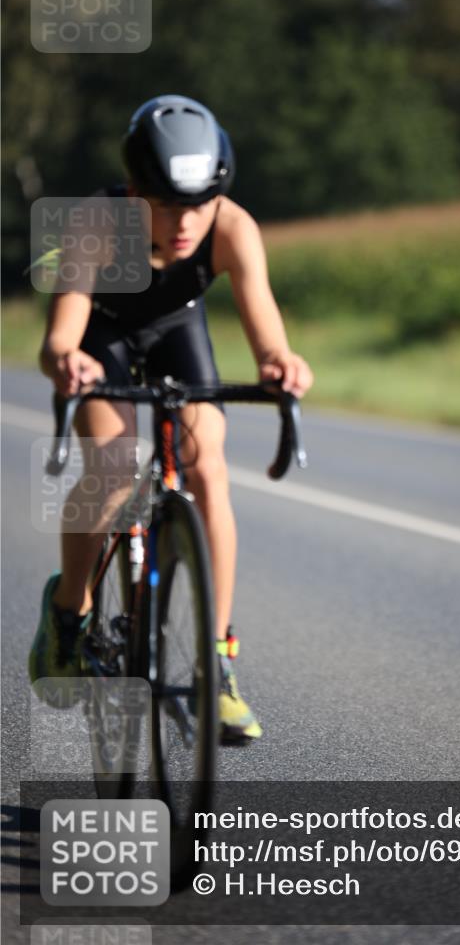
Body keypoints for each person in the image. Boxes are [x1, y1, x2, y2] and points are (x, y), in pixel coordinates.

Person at [28, 94, 314, 740]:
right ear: (134, 191)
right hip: (101, 338)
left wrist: (280, 363)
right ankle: (70, 613)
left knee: (208, 465)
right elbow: (59, 337)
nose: (185, 224)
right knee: (115, 464)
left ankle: (217, 662)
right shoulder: (95, 223)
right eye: (165, 207)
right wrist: (67, 362)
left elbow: (265, 327)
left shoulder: (233, 227)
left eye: (199, 206)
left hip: (176, 332)